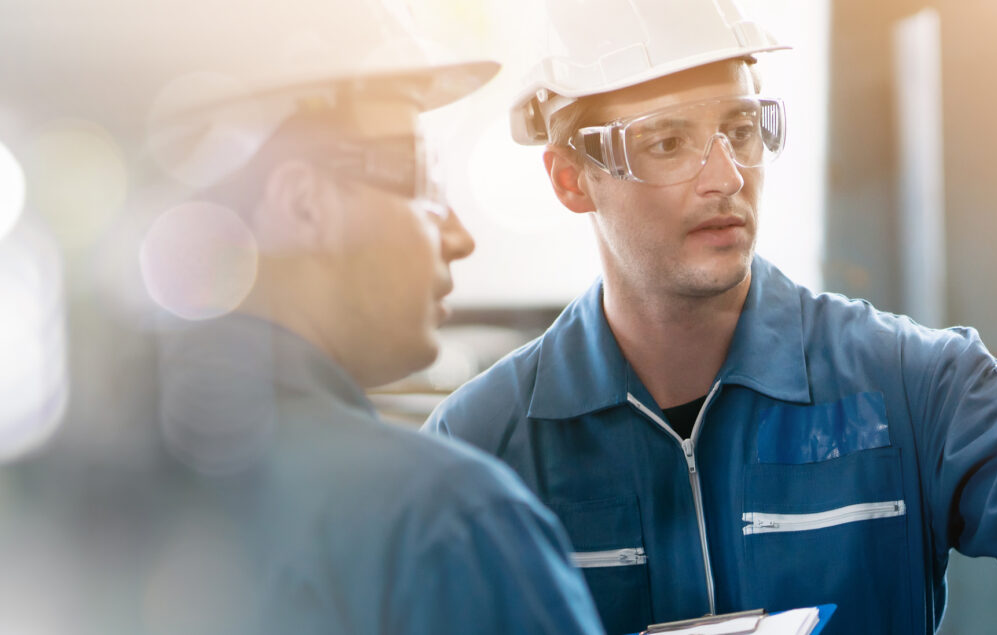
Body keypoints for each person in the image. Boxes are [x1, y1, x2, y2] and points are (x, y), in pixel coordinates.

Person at [426, 1, 997, 633]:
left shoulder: (907, 385)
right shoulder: (484, 450)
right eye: (668, 141)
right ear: (570, 178)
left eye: (742, 127)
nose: (724, 176)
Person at [10, 0, 607, 632]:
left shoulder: (54, 523)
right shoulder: (444, 523)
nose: (459, 236)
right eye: (423, 181)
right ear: (303, 205)